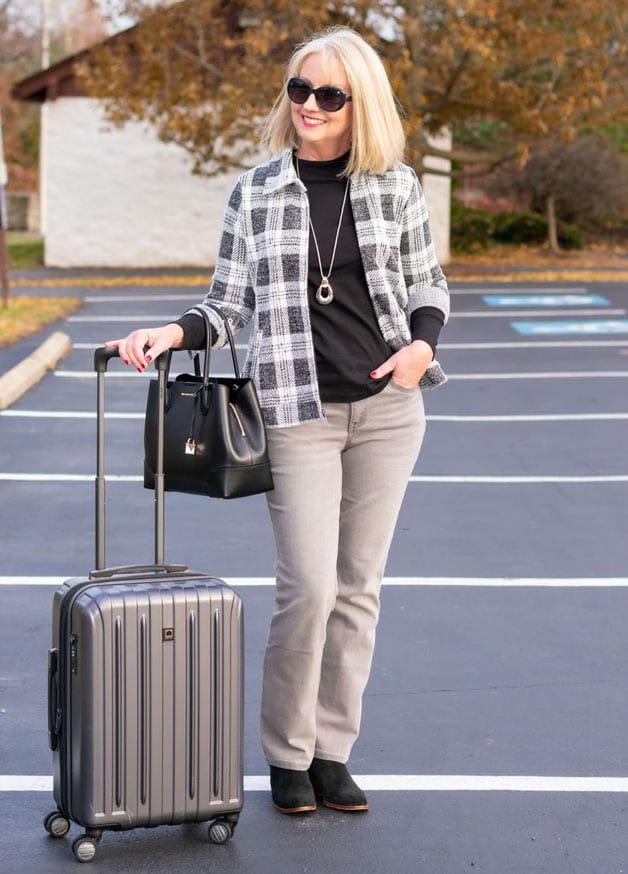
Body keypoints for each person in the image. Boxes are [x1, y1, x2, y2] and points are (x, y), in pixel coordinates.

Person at [106, 25, 449, 816]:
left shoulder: (394, 187)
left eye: (329, 94)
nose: (310, 105)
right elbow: (228, 302)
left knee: (359, 590)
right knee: (309, 587)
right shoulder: (256, 191)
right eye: (300, 89)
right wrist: (173, 332)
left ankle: (333, 752)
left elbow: (430, 283)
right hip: (296, 412)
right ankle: (287, 753)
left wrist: (420, 346)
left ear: (359, 104)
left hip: (392, 411)